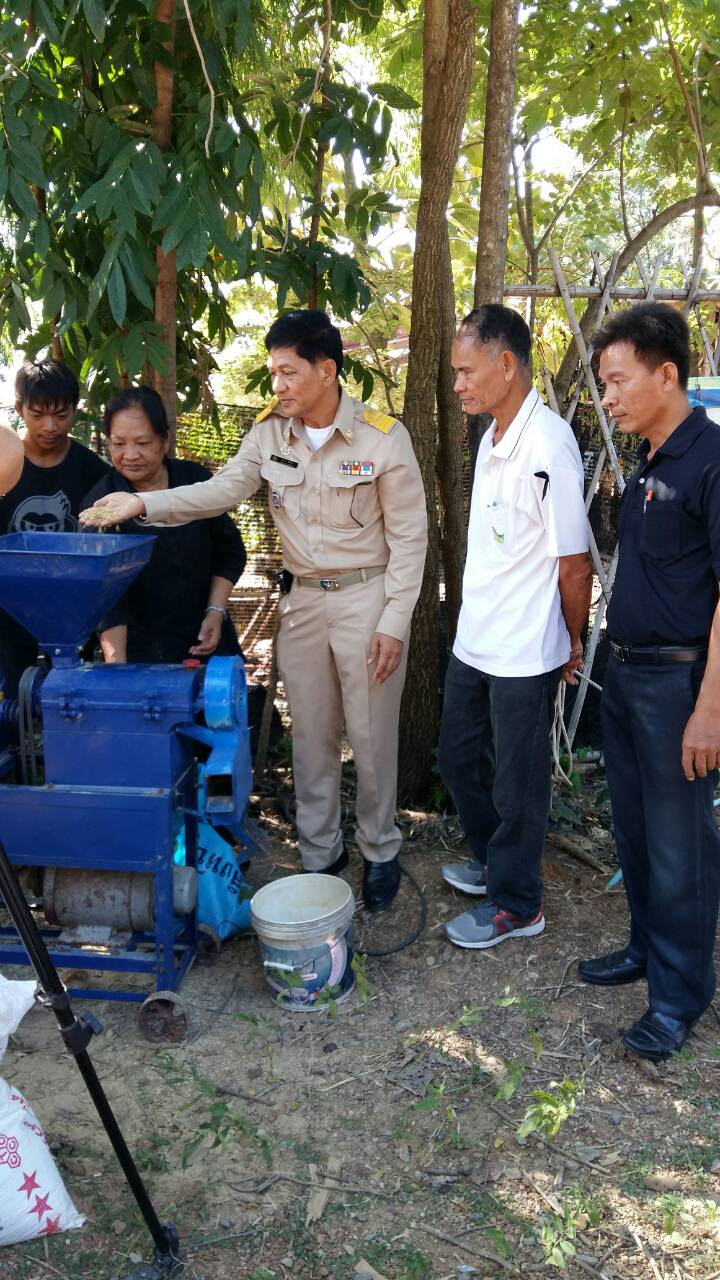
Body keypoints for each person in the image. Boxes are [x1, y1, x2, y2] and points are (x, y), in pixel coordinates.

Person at [82, 310, 427, 912]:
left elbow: (411, 540)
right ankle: (322, 854)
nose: (279, 386)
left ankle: (379, 848)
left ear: (327, 370)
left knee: (371, 737)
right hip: (301, 603)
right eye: (273, 374)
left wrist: (394, 622)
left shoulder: (381, 436)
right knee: (311, 737)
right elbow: (220, 492)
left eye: (288, 373)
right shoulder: (269, 435)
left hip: (366, 599)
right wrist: (140, 504)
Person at [578, 302, 720, 1060]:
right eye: (604, 383)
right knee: (633, 832)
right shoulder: (645, 469)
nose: (608, 396)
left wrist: (711, 709)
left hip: (679, 686)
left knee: (679, 847)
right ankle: (644, 947)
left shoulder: (710, 461)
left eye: (618, 380)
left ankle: (680, 996)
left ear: (668, 375)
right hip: (626, 676)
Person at [438, 305, 592, 949]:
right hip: (477, 637)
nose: (457, 384)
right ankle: (496, 862)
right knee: (456, 757)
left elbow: (574, 563)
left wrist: (573, 638)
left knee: (517, 781)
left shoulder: (549, 443)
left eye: (466, 371)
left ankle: (518, 903)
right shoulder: (492, 435)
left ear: (506, 363)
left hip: (527, 647)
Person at [84, 386, 246, 664]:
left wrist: (215, 612)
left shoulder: (195, 480)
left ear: (165, 440)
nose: (130, 454)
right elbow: (106, 599)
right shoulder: (100, 505)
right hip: (142, 656)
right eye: (118, 443)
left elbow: (229, 552)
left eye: (143, 443)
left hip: (208, 639)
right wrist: (117, 673)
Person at [0, 360, 109, 695]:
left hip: (71, 606)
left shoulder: (92, 470)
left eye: (61, 415)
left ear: (75, 410)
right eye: (37, 414)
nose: (50, 426)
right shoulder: (4, 460)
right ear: (19, 409)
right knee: (10, 693)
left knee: (71, 695)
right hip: (9, 602)